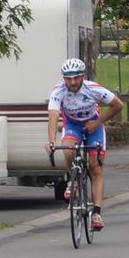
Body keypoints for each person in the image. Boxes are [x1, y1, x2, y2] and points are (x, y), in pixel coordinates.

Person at [46, 57, 124, 230]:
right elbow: (53, 116)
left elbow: (118, 105)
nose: (72, 82)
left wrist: (98, 122)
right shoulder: (58, 91)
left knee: (95, 167)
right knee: (67, 148)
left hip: (93, 125)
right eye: (68, 78)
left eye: (76, 77)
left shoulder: (93, 88)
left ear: (82, 76)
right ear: (63, 78)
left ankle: (96, 212)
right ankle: (72, 181)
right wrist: (51, 141)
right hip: (73, 125)